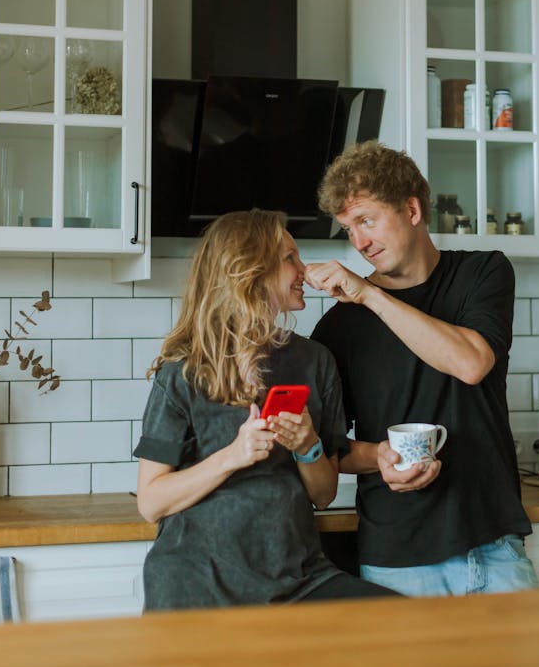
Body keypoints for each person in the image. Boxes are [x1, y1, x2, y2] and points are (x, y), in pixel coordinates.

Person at [134, 208, 399, 610]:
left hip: (297, 579)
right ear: (250, 270)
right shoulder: (183, 373)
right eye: (289, 257)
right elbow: (151, 502)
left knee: (400, 621)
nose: (302, 269)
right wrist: (232, 457)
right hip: (194, 585)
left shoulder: (314, 361)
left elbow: (324, 494)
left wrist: (307, 445)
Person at [306, 141, 538, 598]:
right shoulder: (338, 325)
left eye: (366, 221)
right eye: (348, 229)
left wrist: (370, 296)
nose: (359, 243)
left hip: (494, 542)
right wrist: (380, 460)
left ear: (411, 209)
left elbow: (471, 363)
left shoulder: (482, 273)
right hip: (397, 557)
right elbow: (331, 449)